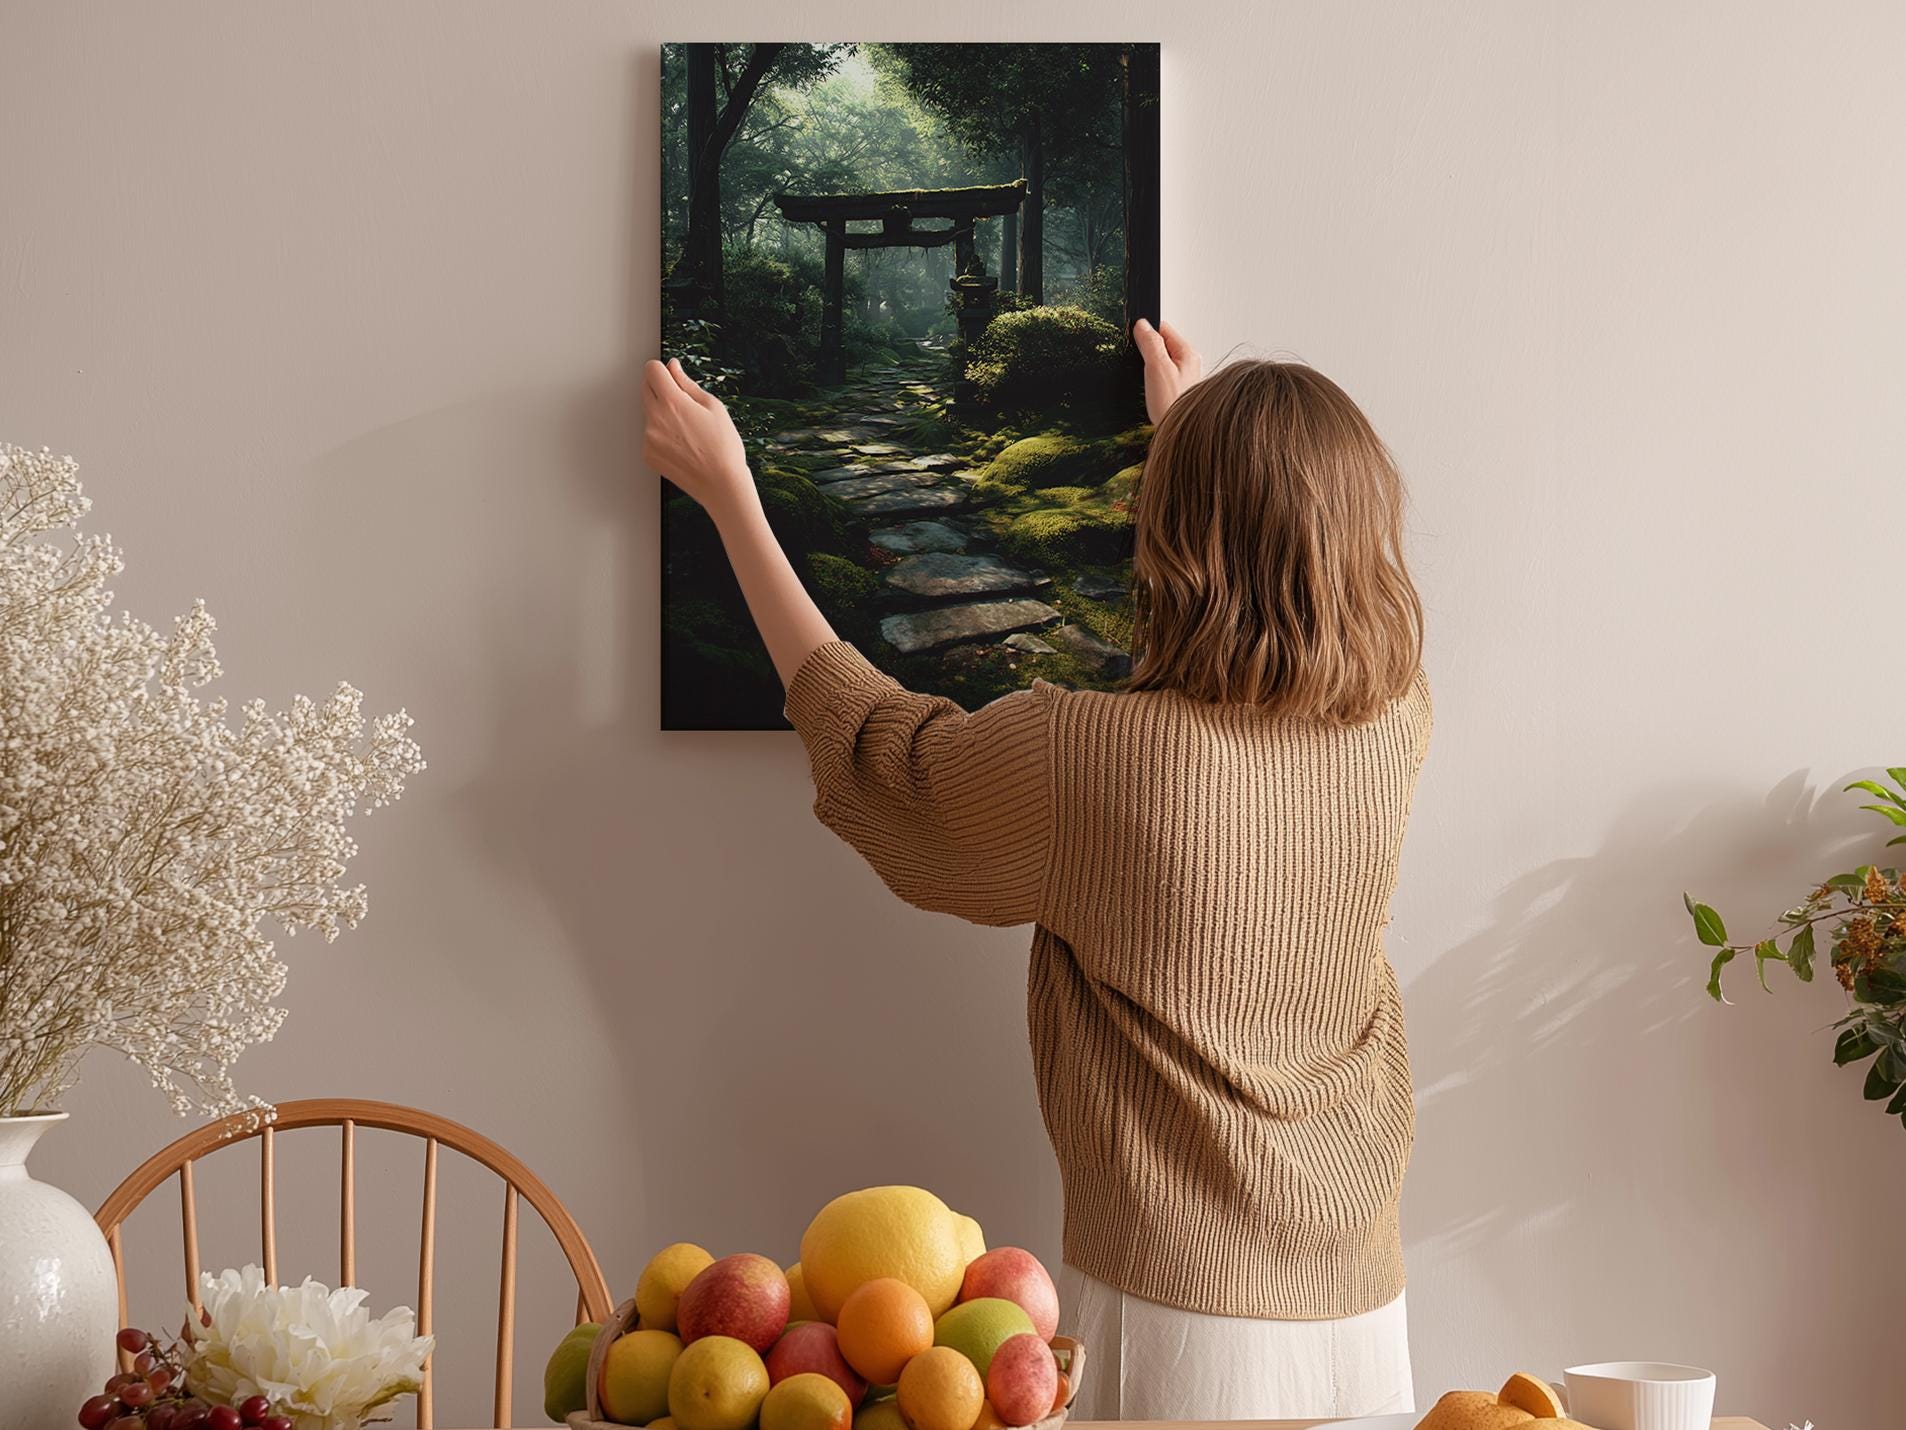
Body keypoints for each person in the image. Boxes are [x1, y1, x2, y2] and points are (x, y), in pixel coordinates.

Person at [641, 320, 1430, 1420]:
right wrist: (1191, 435)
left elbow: (882, 750)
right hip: (1362, 1301)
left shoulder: (1091, 755)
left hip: (1178, 1313)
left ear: (1173, 530)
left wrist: (732, 495)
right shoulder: (1395, 720)